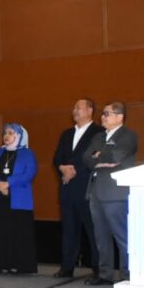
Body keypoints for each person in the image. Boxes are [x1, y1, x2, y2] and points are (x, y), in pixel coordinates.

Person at [83, 102, 138, 285]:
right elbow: (86, 158)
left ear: (119, 117)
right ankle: (105, 274)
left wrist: (98, 156)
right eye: (103, 113)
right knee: (101, 237)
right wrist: (99, 157)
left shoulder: (128, 136)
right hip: (95, 192)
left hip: (116, 193)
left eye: (107, 113)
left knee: (122, 236)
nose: (102, 117)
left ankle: (128, 275)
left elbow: (115, 157)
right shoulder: (98, 136)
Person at [52, 98, 104, 278]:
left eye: (78, 107)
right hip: (67, 189)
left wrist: (74, 170)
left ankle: (98, 267)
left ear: (90, 110)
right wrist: (62, 168)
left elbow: (97, 157)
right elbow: (57, 158)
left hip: (88, 188)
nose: (74, 110)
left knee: (93, 230)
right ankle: (67, 266)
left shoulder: (99, 132)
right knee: (69, 229)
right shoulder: (66, 134)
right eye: (74, 107)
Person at [0, 123, 38, 275]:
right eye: (5, 133)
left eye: (11, 133)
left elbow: (29, 173)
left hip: (18, 199)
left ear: (19, 136)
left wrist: (9, 183)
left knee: (18, 232)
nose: (6, 136)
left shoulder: (28, 154)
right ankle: (1, 264)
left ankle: (20, 266)